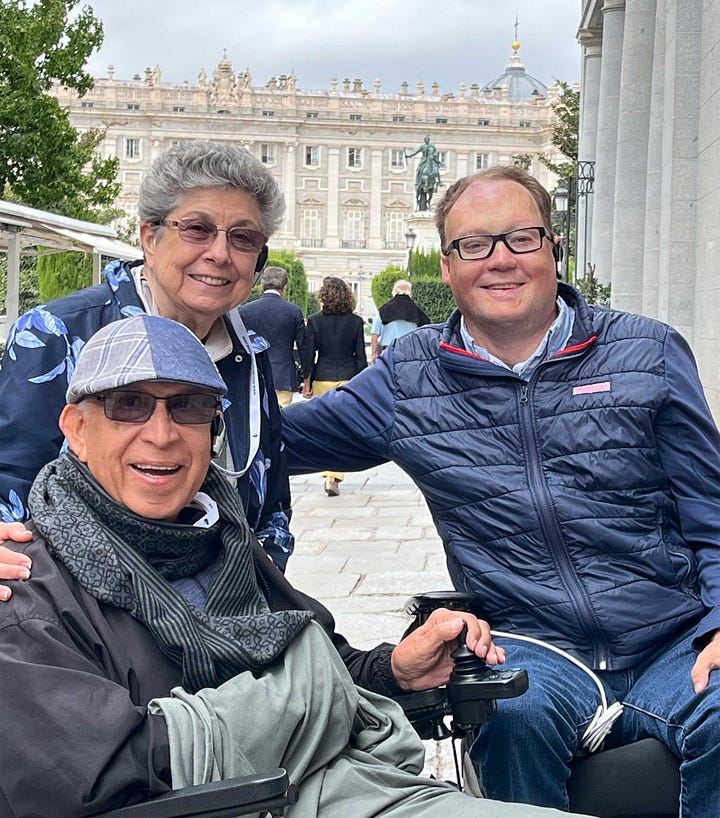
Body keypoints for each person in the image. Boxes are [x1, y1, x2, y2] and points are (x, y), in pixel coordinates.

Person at [0, 313, 591, 818]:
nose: (162, 434)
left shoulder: (221, 538)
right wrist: (307, 687)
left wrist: (395, 670)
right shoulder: (24, 589)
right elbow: (95, 775)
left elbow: (327, 663)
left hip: (350, 788)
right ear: (76, 429)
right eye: (128, 405)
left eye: (190, 407)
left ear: (213, 433)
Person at [275, 165, 720, 815]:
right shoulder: (410, 378)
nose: (500, 260)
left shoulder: (646, 352)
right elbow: (267, 445)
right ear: (447, 268)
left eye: (521, 238)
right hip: (531, 643)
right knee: (510, 718)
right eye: (474, 245)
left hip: (669, 636)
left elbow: (709, 510)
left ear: (553, 248)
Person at [0, 140, 295, 571]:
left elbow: (270, 499)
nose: (219, 253)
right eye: (197, 229)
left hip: (226, 611)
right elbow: (9, 482)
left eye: (243, 238)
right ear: (149, 239)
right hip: (86, 619)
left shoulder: (250, 355)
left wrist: (263, 576)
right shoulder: (59, 335)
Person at [301, 276, 367, 496]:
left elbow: (309, 355)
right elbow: (361, 358)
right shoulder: (356, 322)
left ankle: (329, 472)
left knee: (325, 426)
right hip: (348, 377)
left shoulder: (315, 321)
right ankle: (334, 476)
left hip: (323, 377)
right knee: (343, 427)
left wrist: (307, 382)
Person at [239, 265, 306, 408]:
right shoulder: (294, 312)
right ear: (284, 287)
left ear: (262, 285)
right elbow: (303, 346)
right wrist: (307, 377)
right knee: (281, 420)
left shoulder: (245, 311)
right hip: (283, 377)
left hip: (254, 377)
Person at [371, 279, 431, 363]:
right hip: (409, 352)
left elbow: (374, 335)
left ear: (394, 292)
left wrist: (374, 354)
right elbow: (427, 330)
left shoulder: (383, 310)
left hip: (387, 351)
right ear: (409, 292)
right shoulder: (417, 311)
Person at [405, 135, 443, 211]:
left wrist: (435, 158)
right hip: (424, 160)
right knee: (419, 170)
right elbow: (415, 152)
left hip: (431, 160)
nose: (426, 140)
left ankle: (439, 182)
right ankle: (418, 181)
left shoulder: (432, 146)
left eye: (428, 139)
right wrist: (409, 156)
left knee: (436, 169)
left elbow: (435, 153)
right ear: (424, 140)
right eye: (425, 139)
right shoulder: (422, 147)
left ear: (429, 140)